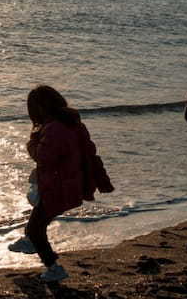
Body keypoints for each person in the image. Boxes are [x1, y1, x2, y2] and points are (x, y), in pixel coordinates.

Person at [8, 85, 113, 282]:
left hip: (58, 187)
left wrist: (32, 142)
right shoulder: (74, 123)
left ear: (39, 108)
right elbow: (90, 152)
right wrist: (100, 180)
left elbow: (43, 156)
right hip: (69, 184)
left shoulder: (54, 128)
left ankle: (53, 267)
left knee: (35, 228)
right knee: (38, 223)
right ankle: (31, 243)